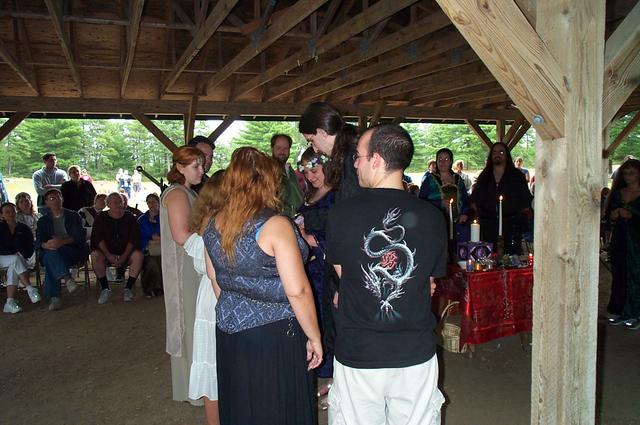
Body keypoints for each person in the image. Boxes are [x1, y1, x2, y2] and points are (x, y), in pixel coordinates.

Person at [325, 124, 446, 424]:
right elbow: (429, 283)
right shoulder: (433, 216)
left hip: (359, 352)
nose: (355, 164)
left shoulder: (341, 214)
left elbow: (346, 276)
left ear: (376, 160)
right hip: (414, 353)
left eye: (358, 156)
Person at [203, 147, 322, 425]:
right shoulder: (275, 225)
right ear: (269, 182)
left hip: (230, 330)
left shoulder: (213, 221)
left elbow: (214, 278)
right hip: (275, 334)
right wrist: (314, 337)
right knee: (278, 406)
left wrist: (237, 309)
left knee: (242, 403)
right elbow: (298, 291)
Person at [159, 146, 206, 406]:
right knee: (189, 320)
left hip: (192, 262)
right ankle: (192, 386)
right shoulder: (177, 194)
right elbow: (182, 235)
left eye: (202, 165)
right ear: (179, 167)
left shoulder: (188, 191)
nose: (201, 170)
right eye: (195, 166)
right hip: (185, 266)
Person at [187, 170, 226, 425]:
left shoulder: (212, 222)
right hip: (215, 298)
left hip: (215, 295)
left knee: (219, 365)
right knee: (213, 364)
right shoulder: (212, 226)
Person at [295, 148, 335, 391]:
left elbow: (339, 236)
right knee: (310, 315)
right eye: (306, 173)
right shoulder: (310, 195)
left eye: (315, 171)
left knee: (326, 318)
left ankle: (331, 374)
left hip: (327, 268)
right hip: (308, 268)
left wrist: (308, 237)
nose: (310, 177)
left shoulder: (337, 196)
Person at [470, 142, 532, 254]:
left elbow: (525, 199)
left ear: (507, 155)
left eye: (501, 152)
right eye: (495, 152)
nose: (497, 155)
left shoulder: (517, 176)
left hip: (511, 226)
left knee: (511, 257)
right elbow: (475, 199)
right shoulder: (484, 176)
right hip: (488, 225)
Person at [35, 189, 89, 311]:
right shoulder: (43, 221)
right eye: (52, 198)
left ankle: (55, 298)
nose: (56, 200)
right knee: (51, 256)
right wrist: (45, 245)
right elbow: (38, 240)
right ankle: (67, 279)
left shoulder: (73, 216)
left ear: (62, 199)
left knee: (51, 259)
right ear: (46, 203)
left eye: (58, 197)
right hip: (51, 250)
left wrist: (62, 242)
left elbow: (80, 236)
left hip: (71, 250)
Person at [299, 101, 361, 202]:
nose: (315, 149)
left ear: (322, 132)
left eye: (312, 140)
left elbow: (352, 202)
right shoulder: (346, 152)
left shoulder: (351, 157)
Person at [90, 192, 144, 304]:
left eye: (121, 202)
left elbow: (133, 239)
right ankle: (105, 288)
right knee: (95, 255)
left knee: (138, 256)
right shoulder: (101, 217)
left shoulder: (130, 217)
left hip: (126, 252)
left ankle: (128, 288)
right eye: (115, 202)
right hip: (106, 253)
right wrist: (108, 254)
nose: (119, 204)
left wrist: (124, 256)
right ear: (108, 204)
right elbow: (98, 238)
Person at [605, 159, 640, 330]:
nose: (628, 176)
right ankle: (618, 310)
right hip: (620, 239)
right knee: (619, 274)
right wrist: (613, 215)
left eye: (632, 173)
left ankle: (636, 313)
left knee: (636, 275)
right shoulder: (618, 193)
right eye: (625, 173)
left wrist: (632, 216)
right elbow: (608, 216)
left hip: (637, 241)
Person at [419, 149, 470, 252]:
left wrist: (464, 213)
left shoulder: (458, 179)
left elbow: (465, 199)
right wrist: (439, 203)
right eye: (440, 159)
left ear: (451, 161)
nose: (443, 162)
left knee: (458, 252)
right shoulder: (429, 179)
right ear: (436, 161)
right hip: (436, 223)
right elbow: (421, 202)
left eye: (446, 159)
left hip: (458, 223)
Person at [1, 202, 41, 313]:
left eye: (12, 211)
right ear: (2, 215)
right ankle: (29, 288)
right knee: (15, 259)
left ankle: (10, 302)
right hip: (1, 258)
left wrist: (23, 254)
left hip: (18, 260)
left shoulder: (23, 228)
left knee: (13, 267)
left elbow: (30, 247)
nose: (11, 214)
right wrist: (14, 252)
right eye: (7, 212)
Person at [271, 134, 304, 217]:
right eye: (278, 148)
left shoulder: (289, 170)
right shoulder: (267, 172)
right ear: (272, 148)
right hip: (278, 220)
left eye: (285, 148)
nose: (282, 151)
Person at [138, 193, 163, 298]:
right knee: (151, 263)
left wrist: (159, 239)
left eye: (153, 202)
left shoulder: (164, 217)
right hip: (147, 247)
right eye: (149, 202)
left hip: (162, 247)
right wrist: (150, 239)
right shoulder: (142, 219)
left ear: (158, 203)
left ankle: (159, 288)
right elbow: (139, 235)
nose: (151, 204)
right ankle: (148, 289)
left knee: (161, 260)